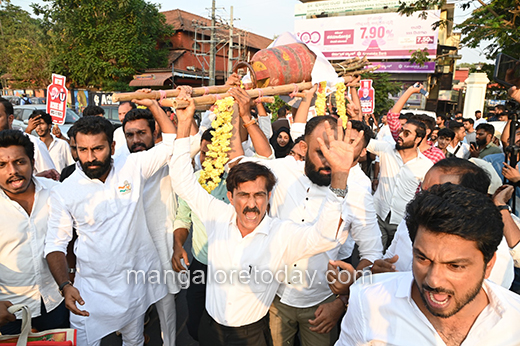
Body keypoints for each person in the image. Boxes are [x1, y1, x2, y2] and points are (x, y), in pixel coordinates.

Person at [170, 90, 361, 346]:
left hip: (250, 336)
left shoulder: (281, 234)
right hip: (210, 329)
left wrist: (339, 176)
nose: (251, 205)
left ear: (269, 196)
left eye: (259, 195)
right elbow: (182, 182)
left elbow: (325, 237)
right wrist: (183, 125)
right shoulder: (216, 214)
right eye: (243, 195)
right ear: (230, 195)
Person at [234, 86, 382, 346]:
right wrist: (243, 114)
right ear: (303, 147)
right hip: (275, 298)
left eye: (336, 152)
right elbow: (236, 160)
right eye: (321, 152)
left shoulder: (357, 190)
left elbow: (372, 254)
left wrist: (343, 299)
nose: (329, 162)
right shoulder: (279, 172)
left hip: (323, 305)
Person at [44, 102, 174, 345]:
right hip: (90, 292)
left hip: (133, 286)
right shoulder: (65, 191)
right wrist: (64, 285)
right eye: (82, 150)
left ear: (113, 147)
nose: (90, 158)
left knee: (134, 341)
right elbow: (54, 244)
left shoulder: (133, 167)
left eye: (98, 149)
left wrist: (155, 105)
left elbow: (171, 143)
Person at [336, 183, 520, 346]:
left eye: (455, 266)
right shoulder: (368, 301)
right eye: (422, 259)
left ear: (488, 265)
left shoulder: (515, 319)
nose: (433, 280)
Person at [374, 157, 514, 289]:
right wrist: (377, 272)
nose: (423, 200)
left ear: (469, 200)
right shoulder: (413, 219)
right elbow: (388, 258)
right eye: (423, 191)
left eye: (435, 194)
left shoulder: (494, 249)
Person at [120, 107, 180, 346]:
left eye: (141, 133)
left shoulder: (168, 159)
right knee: (132, 306)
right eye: (130, 135)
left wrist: (156, 105)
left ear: (154, 132)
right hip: (131, 251)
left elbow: (177, 141)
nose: (136, 140)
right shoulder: (121, 166)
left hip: (161, 248)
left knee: (165, 305)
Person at [0, 130, 68, 334]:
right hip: (10, 310)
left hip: (56, 302)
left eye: (20, 162)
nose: (12, 171)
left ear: (32, 161)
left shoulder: (56, 192)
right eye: (1, 165)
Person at [172, 127, 231, 341]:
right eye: (204, 153)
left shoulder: (237, 180)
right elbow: (183, 218)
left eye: (213, 154)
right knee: (195, 323)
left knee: (228, 324)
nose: (207, 159)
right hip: (201, 263)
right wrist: (178, 246)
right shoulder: (192, 182)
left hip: (232, 266)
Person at [367, 118, 433, 250]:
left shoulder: (426, 165)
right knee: (373, 256)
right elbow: (363, 142)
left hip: (402, 222)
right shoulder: (386, 149)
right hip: (378, 215)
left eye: (407, 133)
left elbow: (427, 194)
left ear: (418, 139)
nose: (400, 135)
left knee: (393, 262)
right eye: (401, 131)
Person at [0, 97, 57, 176]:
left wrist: (29, 180)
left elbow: (49, 178)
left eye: (20, 162)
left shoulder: (35, 144)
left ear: (10, 119)